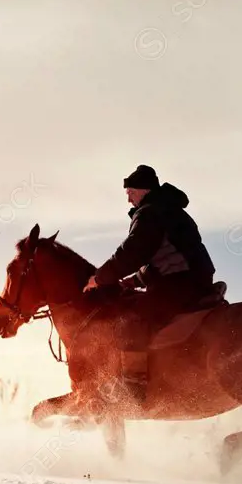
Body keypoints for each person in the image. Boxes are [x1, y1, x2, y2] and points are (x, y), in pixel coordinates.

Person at [83, 164, 216, 406]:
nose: (128, 198)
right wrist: (134, 281)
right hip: (191, 279)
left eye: (130, 191)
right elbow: (163, 257)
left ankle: (134, 387)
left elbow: (132, 253)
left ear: (143, 190)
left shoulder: (151, 213)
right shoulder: (168, 209)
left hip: (180, 283)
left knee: (130, 320)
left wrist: (100, 278)